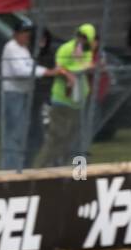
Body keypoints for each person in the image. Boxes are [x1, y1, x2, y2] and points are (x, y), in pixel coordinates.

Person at [0, 18, 57, 171]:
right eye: (24, 33)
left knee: (22, 133)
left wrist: (46, 71)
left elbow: (31, 66)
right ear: (16, 34)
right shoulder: (11, 47)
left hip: (24, 93)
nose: (27, 36)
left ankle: (19, 166)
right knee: (13, 133)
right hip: (13, 93)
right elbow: (21, 71)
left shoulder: (23, 49)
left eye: (28, 33)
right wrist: (46, 72)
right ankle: (9, 168)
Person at [39, 23, 95, 167]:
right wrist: (69, 74)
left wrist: (82, 62)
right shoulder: (65, 49)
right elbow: (59, 67)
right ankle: (43, 168)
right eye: (81, 37)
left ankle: (74, 168)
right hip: (62, 99)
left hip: (79, 101)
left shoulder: (87, 51)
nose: (82, 41)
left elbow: (87, 66)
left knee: (75, 138)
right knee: (57, 135)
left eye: (86, 39)